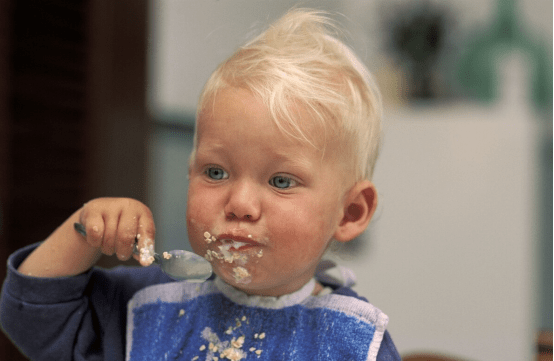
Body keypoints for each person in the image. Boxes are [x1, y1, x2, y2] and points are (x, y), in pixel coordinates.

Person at [0, 8, 400, 361]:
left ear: (350, 212)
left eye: (280, 180)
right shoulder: (146, 304)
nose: (240, 203)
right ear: (189, 173)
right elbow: (30, 320)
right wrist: (85, 229)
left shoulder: (355, 341)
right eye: (216, 173)